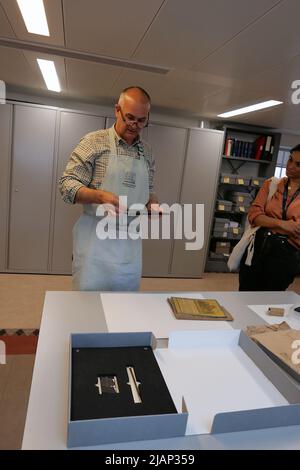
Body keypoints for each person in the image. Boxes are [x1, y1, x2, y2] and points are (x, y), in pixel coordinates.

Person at [59, 86, 158, 291]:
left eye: (141, 121)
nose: (134, 125)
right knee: (88, 310)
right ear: (117, 110)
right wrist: (99, 196)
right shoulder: (94, 142)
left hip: (128, 246)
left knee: (124, 310)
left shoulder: (147, 153)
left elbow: (149, 189)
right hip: (94, 245)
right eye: (130, 117)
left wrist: (153, 202)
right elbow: (67, 185)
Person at [239, 144, 300, 291]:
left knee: (270, 301)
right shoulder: (271, 184)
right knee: (244, 296)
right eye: (290, 159)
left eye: (298, 164)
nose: (290, 166)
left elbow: (297, 231)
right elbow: (254, 215)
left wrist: (267, 221)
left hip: (284, 257)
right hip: (256, 248)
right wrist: (284, 225)